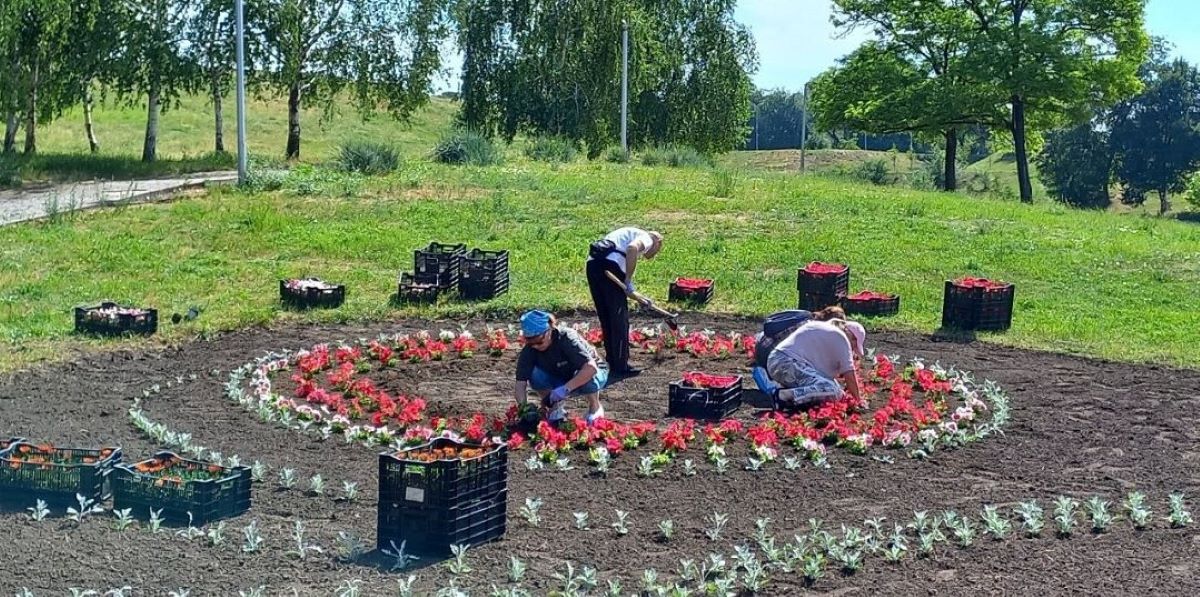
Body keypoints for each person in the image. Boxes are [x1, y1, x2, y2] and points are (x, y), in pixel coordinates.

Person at [585, 226, 664, 378]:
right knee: (619, 319)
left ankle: (613, 361)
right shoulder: (647, 238)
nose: (653, 254)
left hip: (593, 266)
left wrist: (637, 296)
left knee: (607, 316)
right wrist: (627, 280)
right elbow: (632, 249)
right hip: (610, 267)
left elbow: (624, 285)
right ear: (657, 242)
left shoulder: (625, 235)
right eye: (658, 249)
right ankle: (621, 366)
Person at [513, 310, 609, 425]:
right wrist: (523, 409)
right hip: (560, 375)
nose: (535, 346)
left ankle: (595, 406)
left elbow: (591, 368)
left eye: (539, 342)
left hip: (591, 372)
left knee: (584, 373)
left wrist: (564, 389)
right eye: (531, 343)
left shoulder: (567, 338)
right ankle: (555, 406)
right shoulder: (529, 350)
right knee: (534, 374)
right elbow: (520, 384)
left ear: (548, 330)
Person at [764, 318, 867, 410]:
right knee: (831, 390)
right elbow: (849, 374)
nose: (852, 349)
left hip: (778, 361)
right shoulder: (841, 337)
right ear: (851, 336)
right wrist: (858, 400)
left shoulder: (827, 329)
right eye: (854, 345)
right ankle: (782, 396)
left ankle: (787, 394)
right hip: (785, 362)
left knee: (835, 391)